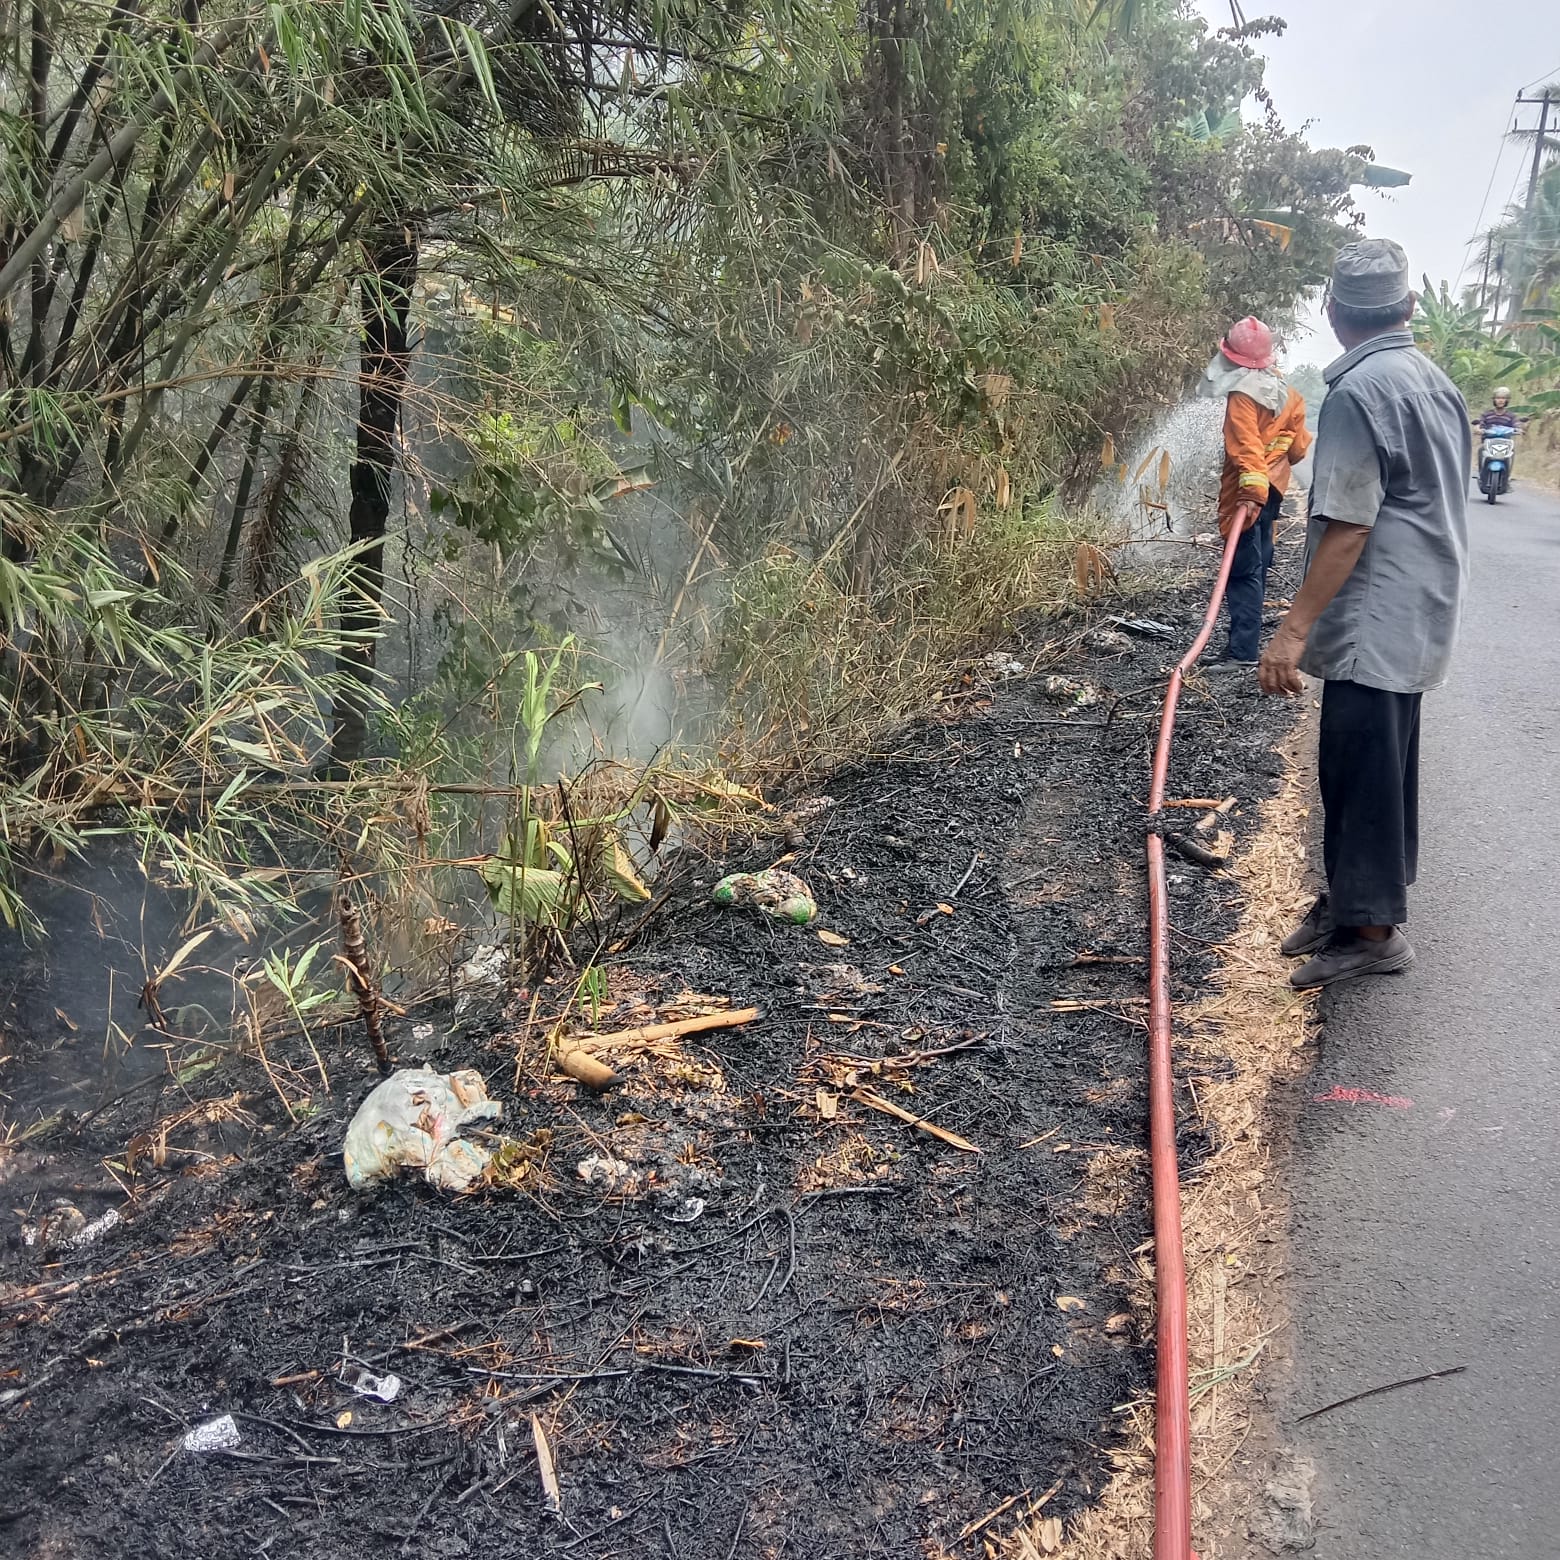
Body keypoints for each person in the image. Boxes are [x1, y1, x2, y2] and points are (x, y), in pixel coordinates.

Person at [1258, 238, 1470, 989]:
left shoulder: (1357, 392)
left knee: (1363, 769)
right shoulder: (1430, 378)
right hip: (1419, 605)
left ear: (1335, 314)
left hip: (1378, 613)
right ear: (1408, 308)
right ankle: (1352, 906)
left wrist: (1291, 630)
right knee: (1373, 764)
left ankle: (1375, 935)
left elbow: (1349, 526)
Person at [1200, 317, 1312, 666]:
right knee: (1258, 566)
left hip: (1250, 495)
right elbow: (1298, 449)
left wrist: (1250, 494)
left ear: (1232, 357)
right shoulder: (1288, 394)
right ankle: (1242, 644)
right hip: (1272, 492)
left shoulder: (1242, 397)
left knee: (1243, 571)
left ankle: (1242, 652)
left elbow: (1246, 447)